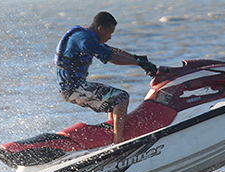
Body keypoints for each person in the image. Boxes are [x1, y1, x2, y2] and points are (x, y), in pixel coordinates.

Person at [55, 11, 157, 144]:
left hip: (75, 87)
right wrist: (139, 64)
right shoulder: (85, 40)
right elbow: (112, 57)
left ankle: (113, 136)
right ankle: (118, 142)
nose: (110, 37)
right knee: (121, 97)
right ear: (100, 28)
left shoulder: (85, 35)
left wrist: (136, 57)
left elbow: (112, 50)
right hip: (74, 90)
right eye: (110, 33)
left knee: (114, 100)